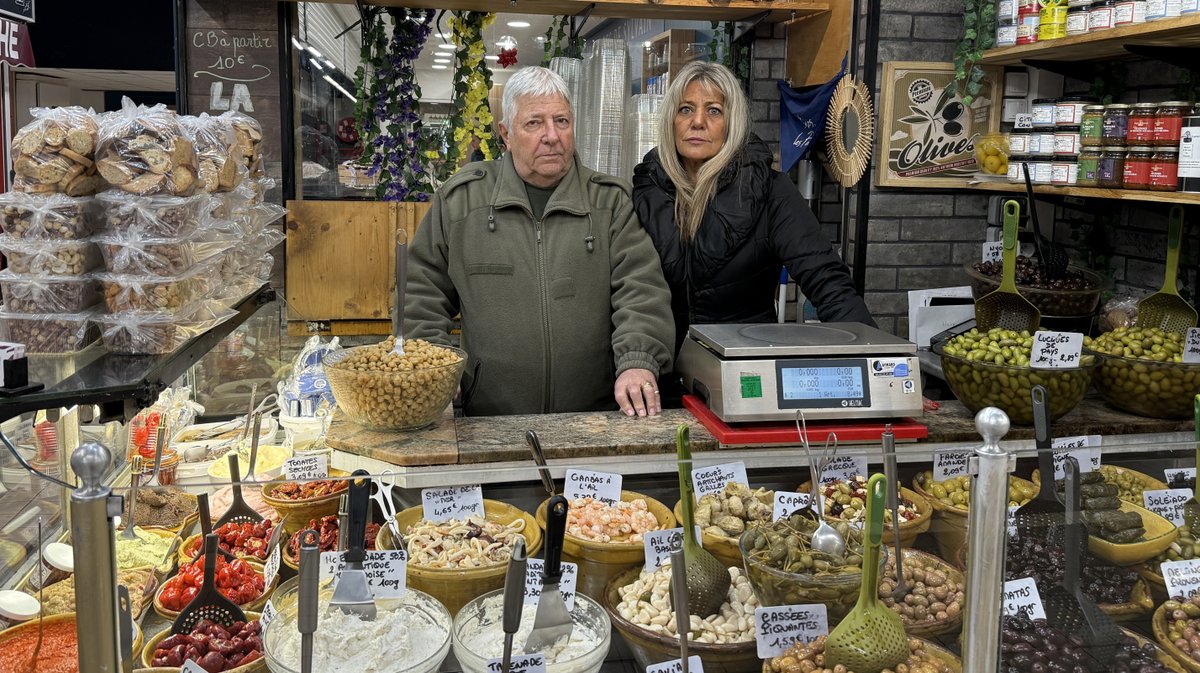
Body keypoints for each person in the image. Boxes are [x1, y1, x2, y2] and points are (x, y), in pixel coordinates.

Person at [405, 66, 675, 418]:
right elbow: (421, 291)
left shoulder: (610, 203)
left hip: (595, 420)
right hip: (488, 418)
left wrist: (638, 360)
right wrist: (434, 365)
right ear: (506, 134)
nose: (552, 135)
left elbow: (641, 291)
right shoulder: (462, 202)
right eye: (534, 123)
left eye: (562, 121)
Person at [632, 61, 875, 364]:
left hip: (743, 372)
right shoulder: (645, 189)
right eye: (685, 109)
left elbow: (828, 282)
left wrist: (876, 362)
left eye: (713, 111)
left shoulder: (770, 191)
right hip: (656, 375)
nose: (697, 122)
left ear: (732, 123)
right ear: (671, 120)